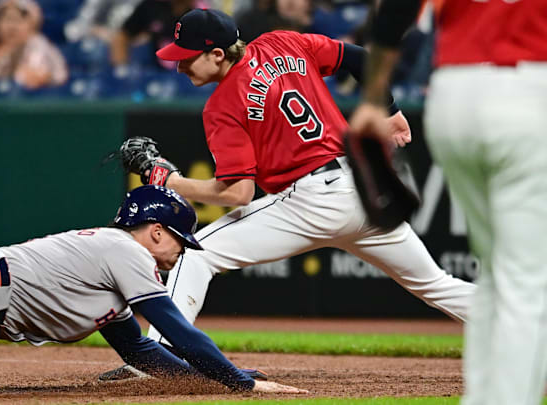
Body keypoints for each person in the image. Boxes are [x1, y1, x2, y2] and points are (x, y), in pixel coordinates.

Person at [102, 7, 477, 379]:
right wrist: (389, 109)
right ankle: (528, 324)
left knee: (195, 254)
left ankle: (159, 363)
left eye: (187, 58)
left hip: (312, 200)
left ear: (217, 54)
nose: (180, 67)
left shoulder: (221, 105)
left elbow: (237, 193)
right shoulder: (283, 42)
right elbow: (359, 57)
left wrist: (165, 179)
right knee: (436, 284)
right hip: (361, 192)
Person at [0, 185, 304, 398]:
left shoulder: (115, 279)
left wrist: (207, 379)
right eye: (181, 242)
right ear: (157, 231)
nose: (181, 254)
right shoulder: (125, 251)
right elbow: (175, 329)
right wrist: (235, 381)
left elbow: (140, 351)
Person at [347, 2, 547, 405]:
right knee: (526, 280)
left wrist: (372, 99)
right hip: (529, 85)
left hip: (453, 94)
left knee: (496, 273)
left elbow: (395, 11)